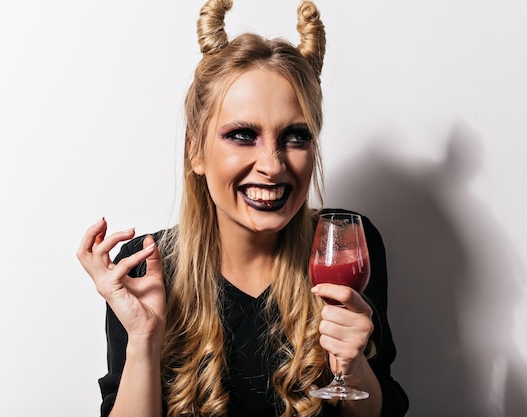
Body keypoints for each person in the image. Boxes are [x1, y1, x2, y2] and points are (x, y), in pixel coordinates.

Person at [77, 1, 408, 416]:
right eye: (243, 135)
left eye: (295, 136)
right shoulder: (145, 266)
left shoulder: (342, 247)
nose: (272, 165)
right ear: (195, 151)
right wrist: (144, 338)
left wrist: (354, 366)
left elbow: (384, 408)